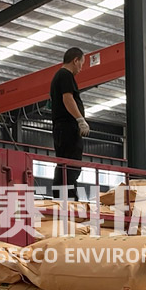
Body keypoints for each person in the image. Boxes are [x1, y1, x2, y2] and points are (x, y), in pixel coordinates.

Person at [50, 47, 89, 200]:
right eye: (81, 63)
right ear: (75, 60)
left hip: (61, 128)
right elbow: (68, 99)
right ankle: (69, 199)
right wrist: (80, 119)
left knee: (64, 165)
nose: (81, 68)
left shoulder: (58, 76)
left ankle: (62, 197)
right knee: (71, 165)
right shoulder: (66, 75)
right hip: (68, 128)